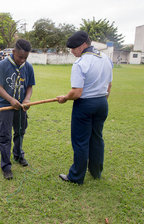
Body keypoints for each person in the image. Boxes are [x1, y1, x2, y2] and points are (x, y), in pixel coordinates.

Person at [56, 31, 113, 185]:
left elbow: (77, 92)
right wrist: (102, 100)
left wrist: (65, 98)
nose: (72, 51)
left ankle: (76, 176)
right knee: (96, 138)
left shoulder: (81, 63)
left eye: (73, 48)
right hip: (102, 102)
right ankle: (96, 172)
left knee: (81, 141)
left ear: (82, 46)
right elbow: (109, 85)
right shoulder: (106, 59)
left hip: (85, 104)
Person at [0, 39, 35, 180]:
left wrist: (27, 99)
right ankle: (6, 166)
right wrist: (11, 100)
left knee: (20, 131)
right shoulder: (3, 65)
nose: (22, 60)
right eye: (20, 57)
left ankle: (18, 155)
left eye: (25, 57)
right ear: (13, 52)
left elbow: (29, 86)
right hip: (5, 106)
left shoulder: (28, 67)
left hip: (21, 107)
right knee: (5, 135)